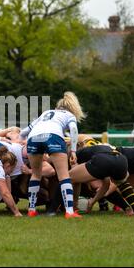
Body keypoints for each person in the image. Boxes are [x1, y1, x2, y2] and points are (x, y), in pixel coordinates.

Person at [19, 91, 84, 219]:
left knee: (36, 174)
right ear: (72, 108)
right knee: (64, 176)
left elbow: (24, 132)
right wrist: (74, 151)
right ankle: (70, 212)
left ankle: (31, 210)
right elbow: (74, 130)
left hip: (33, 138)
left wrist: (22, 142)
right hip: (53, 137)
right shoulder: (69, 115)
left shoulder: (46, 113)